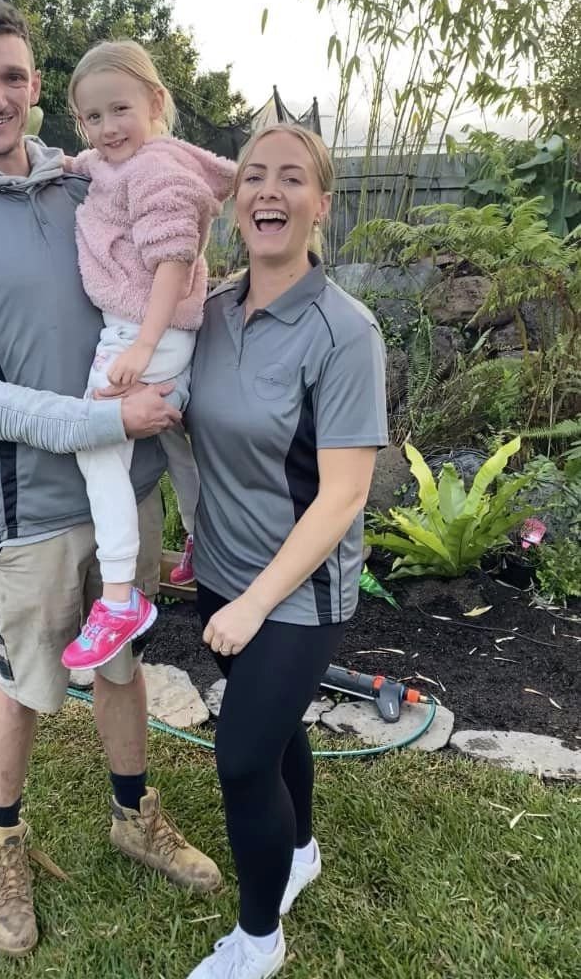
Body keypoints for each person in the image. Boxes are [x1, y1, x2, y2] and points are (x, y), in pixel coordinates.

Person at [0, 0, 221, 960]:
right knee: (25, 679)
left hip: (129, 477)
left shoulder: (86, 182)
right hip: (32, 500)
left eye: (13, 77)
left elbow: (174, 211)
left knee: (121, 663)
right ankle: (2, 843)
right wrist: (102, 418)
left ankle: (132, 814)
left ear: (38, 89)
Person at [184, 124, 388, 979]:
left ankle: (259, 941)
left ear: (321, 206)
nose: (269, 191)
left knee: (238, 758)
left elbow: (342, 494)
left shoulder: (345, 333)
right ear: (235, 204)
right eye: (254, 177)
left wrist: (256, 601)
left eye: (291, 179)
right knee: (272, 737)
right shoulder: (210, 311)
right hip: (222, 573)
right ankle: (300, 847)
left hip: (296, 592)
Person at [59, 40, 235, 672]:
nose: (107, 129)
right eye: (92, 117)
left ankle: (115, 597)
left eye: (120, 110)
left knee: (97, 440)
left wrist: (140, 345)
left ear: (156, 102)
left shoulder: (158, 170)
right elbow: (94, 166)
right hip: (149, 330)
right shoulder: (124, 161)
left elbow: (172, 261)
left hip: (143, 327)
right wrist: (66, 160)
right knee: (179, 436)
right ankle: (199, 538)